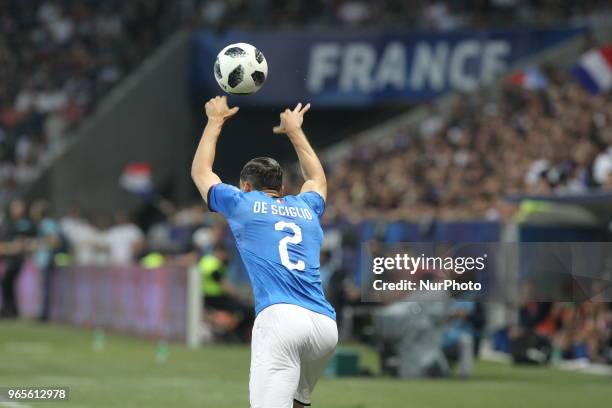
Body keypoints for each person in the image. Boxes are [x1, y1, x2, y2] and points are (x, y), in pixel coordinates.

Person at [191, 96, 337, 408]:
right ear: (282, 189)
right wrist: (295, 131)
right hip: (324, 324)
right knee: (299, 404)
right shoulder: (306, 206)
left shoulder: (242, 203)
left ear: (244, 186)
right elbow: (317, 180)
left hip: (281, 318)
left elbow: (202, 173)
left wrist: (214, 121)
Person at [0, 199, 35, 318]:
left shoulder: (25, 224)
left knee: (7, 281)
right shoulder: (8, 223)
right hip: (7, 257)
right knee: (7, 283)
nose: (16, 210)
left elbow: (28, 240)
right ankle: (11, 309)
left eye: (18, 208)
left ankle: (9, 309)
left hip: (17, 259)